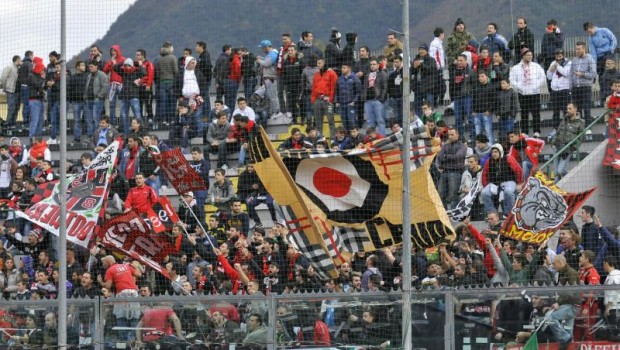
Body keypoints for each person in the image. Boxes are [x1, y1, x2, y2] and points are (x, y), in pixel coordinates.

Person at [509, 48, 546, 137]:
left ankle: (536, 131)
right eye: (528, 55)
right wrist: (519, 87)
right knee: (524, 113)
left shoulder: (536, 66)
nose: (530, 57)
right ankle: (525, 131)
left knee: (536, 112)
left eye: (531, 55)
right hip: (523, 93)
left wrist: (536, 86)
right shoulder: (516, 68)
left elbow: (542, 77)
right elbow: (512, 79)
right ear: (523, 56)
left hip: (535, 92)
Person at [480, 143, 523, 217]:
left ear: (500, 152)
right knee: (484, 193)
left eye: (496, 152)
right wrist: (485, 185)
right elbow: (484, 174)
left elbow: (518, 170)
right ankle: (492, 213)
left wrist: (519, 183)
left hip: (509, 181)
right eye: (492, 152)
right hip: (494, 183)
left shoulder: (508, 158)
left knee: (508, 192)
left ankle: (508, 214)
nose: (494, 154)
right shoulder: (489, 161)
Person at [551, 102, 585, 182]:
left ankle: (571, 179)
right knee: (556, 173)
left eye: (570, 108)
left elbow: (580, 139)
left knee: (560, 171)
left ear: (575, 109)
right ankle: (557, 191)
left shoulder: (581, 122)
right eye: (567, 109)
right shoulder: (564, 119)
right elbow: (558, 131)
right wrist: (553, 143)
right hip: (557, 147)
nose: (568, 110)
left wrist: (572, 149)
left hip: (567, 149)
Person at [437, 128, 467, 210]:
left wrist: (446, 156)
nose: (450, 136)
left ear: (457, 135)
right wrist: (449, 157)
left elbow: (458, 157)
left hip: (455, 172)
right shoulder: (445, 146)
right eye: (449, 135)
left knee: (453, 195)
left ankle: (455, 214)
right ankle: (444, 213)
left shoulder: (462, 146)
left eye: (452, 134)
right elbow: (439, 157)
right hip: (444, 172)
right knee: (440, 193)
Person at [570, 41, 597, 127]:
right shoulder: (574, 60)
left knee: (586, 108)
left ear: (584, 49)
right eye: (576, 49)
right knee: (577, 109)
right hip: (575, 88)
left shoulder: (590, 59)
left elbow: (593, 74)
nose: (577, 51)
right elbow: (571, 74)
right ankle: (579, 127)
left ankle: (588, 127)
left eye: (579, 49)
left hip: (585, 87)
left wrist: (582, 74)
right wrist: (571, 87)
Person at [449, 54, 475, 140]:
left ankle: (473, 137)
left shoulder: (470, 72)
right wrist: (452, 97)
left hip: (467, 97)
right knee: (458, 118)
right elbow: (451, 85)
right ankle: (460, 137)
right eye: (458, 61)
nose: (459, 62)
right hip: (457, 98)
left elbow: (474, 86)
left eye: (461, 61)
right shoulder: (454, 71)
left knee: (470, 117)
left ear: (466, 61)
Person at [256, 40, 283, 121]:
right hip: (268, 78)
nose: (262, 50)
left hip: (271, 78)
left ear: (267, 47)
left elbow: (267, 63)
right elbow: (266, 59)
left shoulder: (273, 53)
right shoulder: (270, 54)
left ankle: (277, 112)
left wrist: (259, 60)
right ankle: (273, 111)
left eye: (263, 48)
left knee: (273, 96)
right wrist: (262, 58)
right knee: (270, 96)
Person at [311, 58, 338, 137]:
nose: (317, 65)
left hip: (327, 100)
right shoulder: (316, 74)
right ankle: (320, 141)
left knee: (331, 121)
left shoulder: (331, 73)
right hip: (317, 100)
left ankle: (333, 140)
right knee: (318, 122)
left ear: (324, 63)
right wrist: (313, 100)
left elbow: (334, 87)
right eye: (317, 63)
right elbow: (313, 88)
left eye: (319, 63)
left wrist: (330, 99)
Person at [547, 49, 572, 131]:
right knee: (555, 110)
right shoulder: (553, 63)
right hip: (555, 91)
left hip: (564, 89)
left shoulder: (568, 63)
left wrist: (558, 66)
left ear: (563, 54)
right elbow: (549, 77)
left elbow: (566, 73)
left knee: (566, 110)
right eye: (557, 54)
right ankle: (555, 128)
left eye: (560, 54)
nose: (558, 55)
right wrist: (551, 70)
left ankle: (567, 126)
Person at [362, 57, 388, 135]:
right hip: (368, 101)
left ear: (378, 65)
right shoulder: (367, 75)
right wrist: (364, 98)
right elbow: (364, 87)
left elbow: (385, 87)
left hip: (377, 100)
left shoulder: (382, 73)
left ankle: (382, 138)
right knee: (370, 122)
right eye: (371, 64)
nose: (372, 66)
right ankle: (372, 138)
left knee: (380, 120)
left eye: (374, 64)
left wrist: (381, 99)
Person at [156, 41, 179, 126]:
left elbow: (157, 73)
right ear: (170, 48)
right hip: (171, 82)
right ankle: (172, 119)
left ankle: (163, 120)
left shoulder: (159, 59)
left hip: (162, 82)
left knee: (163, 102)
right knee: (172, 101)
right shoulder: (173, 58)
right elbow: (176, 71)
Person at [411, 44, 438, 117]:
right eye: (420, 49)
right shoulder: (416, 59)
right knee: (417, 107)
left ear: (426, 50)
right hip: (418, 88)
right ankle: (418, 124)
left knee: (429, 107)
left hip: (428, 88)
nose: (421, 51)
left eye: (423, 49)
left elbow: (432, 69)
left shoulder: (431, 59)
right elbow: (411, 72)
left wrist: (421, 65)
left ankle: (430, 122)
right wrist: (414, 67)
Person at [84, 60, 109, 137]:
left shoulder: (102, 75)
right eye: (89, 67)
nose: (90, 68)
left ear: (96, 66)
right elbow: (87, 87)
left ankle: (97, 135)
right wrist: (85, 96)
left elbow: (105, 86)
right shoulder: (89, 76)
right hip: (89, 99)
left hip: (97, 100)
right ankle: (90, 136)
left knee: (96, 118)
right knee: (89, 119)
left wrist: (99, 96)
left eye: (91, 67)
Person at [471, 70, 497, 144]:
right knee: (478, 134)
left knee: (489, 133)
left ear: (487, 77)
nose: (480, 78)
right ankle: (479, 150)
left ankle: (490, 149)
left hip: (486, 114)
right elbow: (473, 99)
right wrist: (473, 110)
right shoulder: (476, 87)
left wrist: (489, 111)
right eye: (479, 76)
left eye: (482, 76)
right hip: (477, 114)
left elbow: (494, 101)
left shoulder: (491, 87)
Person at [336, 62, 362, 132]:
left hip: (351, 104)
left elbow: (359, 92)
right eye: (342, 68)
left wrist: (354, 101)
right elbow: (337, 91)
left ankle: (356, 138)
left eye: (344, 68)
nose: (342, 69)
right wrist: (337, 101)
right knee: (344, 123)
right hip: (341, 105)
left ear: (349, 68)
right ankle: (347, 139)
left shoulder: (355, 78)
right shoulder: (339, 79)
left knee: (352, 123)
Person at [0, 55, 21, 129]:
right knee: (11, 107)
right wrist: (4, 87)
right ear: (17, 60)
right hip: (10, 90)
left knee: (16, 107)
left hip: (17, 91)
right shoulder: (9, 67)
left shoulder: (17, 68)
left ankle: (13, 123)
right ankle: (8, 123)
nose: (21, 62)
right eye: (20, 60)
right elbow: (3, 77)